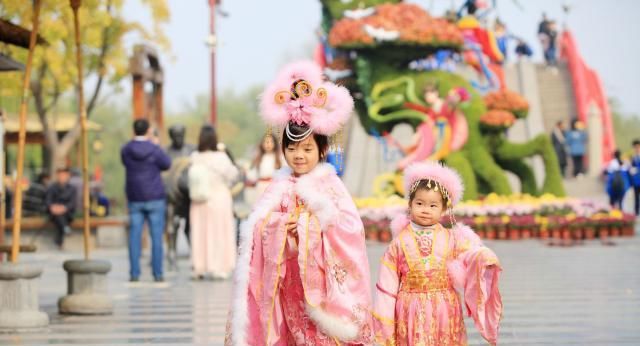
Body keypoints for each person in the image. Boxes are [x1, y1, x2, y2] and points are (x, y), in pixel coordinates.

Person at [226, 61, 373, 345]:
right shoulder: (278, 186)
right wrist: (281, 225)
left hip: (321, 289)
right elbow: (257, 228)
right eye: (292, 149)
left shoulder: (330, 186)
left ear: (322, 150)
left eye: (307, 148)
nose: (299, 156)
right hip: (288, 285)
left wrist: (309, 225)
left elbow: (351, 229)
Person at [372, 161, 502, 345]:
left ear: (444, 209)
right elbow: (386, 285)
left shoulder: (453, 238)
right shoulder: (398, 243)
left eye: (433, 205)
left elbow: (469, 256)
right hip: (410, 310)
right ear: (410, 204)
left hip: (445, 308)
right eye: (420, 203)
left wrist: (482, 255)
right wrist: (384, 325)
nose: (426, 209)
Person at [121, 119, 172, 282]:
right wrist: (156, 144)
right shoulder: (154, 149)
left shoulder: (126, 149)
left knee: (134, 236)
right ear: (148, 130)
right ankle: (158, 274)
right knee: (156, 237)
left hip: (135, 197)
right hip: (155, 196)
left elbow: (125, 163)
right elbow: (167, 164)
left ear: (133, 130)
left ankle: (134, 273)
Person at [188, 124, 239, 280]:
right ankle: (219, 268)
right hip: (219, 197)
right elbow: (233, 175)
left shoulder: (195, 156)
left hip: (199, 199)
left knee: (199, 233)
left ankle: (200, 267)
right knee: (219, 233)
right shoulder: (221, 157)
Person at [246, 133, 282, 204]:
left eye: (271, 142)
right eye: (266, 142)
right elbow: (252, 175)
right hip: (261, 187)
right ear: (262, 144)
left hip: (274, 187)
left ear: (275, 143)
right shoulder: (258, 158)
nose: (268, 144)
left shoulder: (279, 158)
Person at [46, 167, 77, 247]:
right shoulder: (52, 188)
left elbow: (72, 203)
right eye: (60, 175)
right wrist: (53, 207)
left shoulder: (72, 189)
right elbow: (48, 201)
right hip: (54, 212)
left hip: (67, 213)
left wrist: (64, 208)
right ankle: (65, 228)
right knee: (58, 215)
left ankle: (59, 240)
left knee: (61, 215)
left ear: (68, 176)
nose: (62, 177)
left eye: (64, 175)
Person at [630, 140, 640, 215]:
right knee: (636, 198)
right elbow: (632, 168)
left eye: (637, 147)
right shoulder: (633, 158)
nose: (636, 149)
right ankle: (636, 213)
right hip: (636, 181)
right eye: (635, 147)